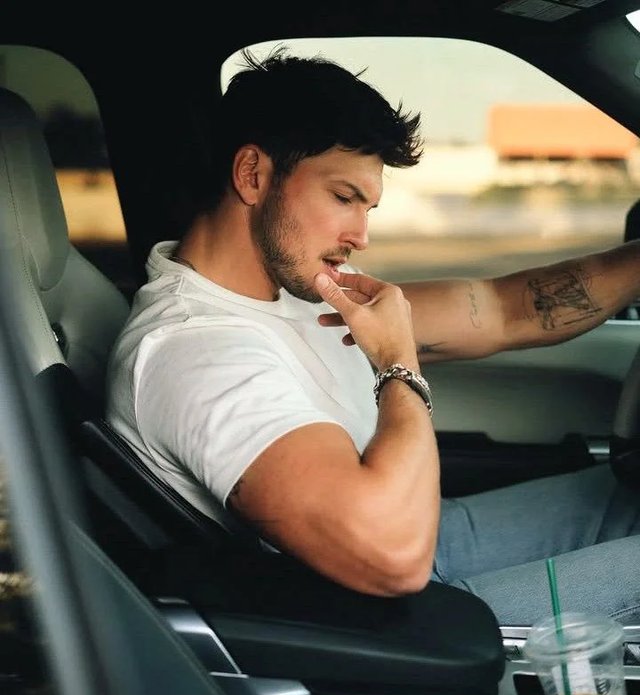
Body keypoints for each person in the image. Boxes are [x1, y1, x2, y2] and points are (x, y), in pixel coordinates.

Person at [106, 46, 640, 626]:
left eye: (368, 207)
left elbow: (507, 311)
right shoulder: (198, 351)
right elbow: (392, 559)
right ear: (252, 174)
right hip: (389, 620)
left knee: (625, 493)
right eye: (344, 198)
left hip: (422, 540)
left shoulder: (297, 292)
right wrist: (396, 362)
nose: (361, 235)